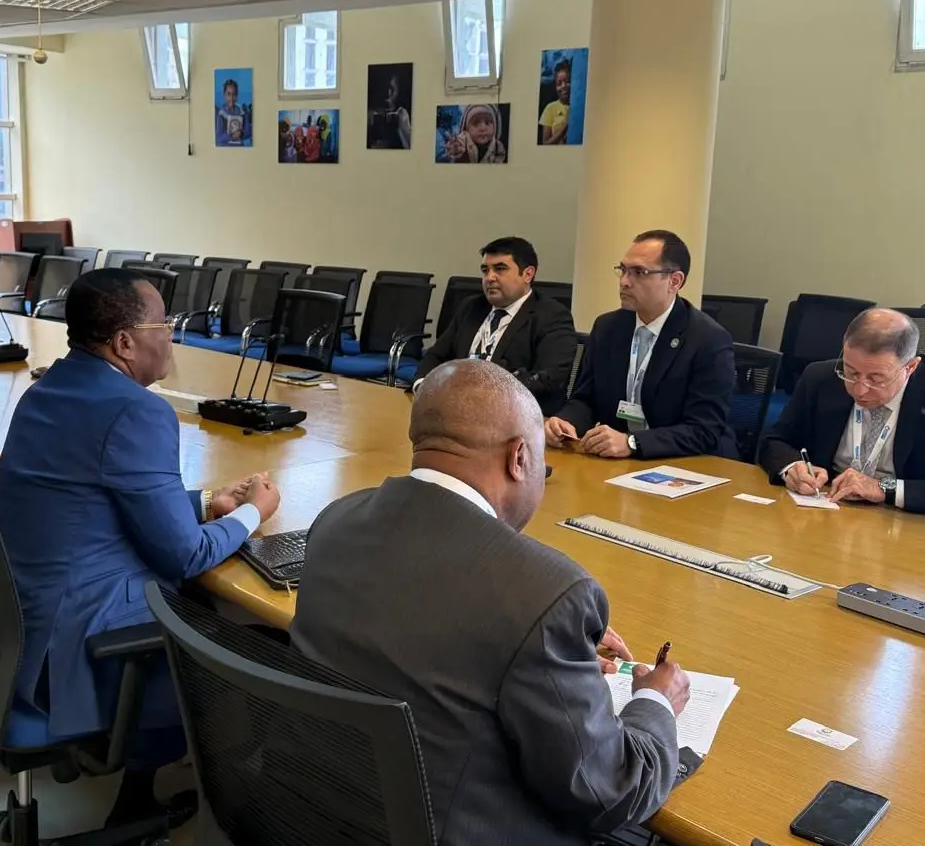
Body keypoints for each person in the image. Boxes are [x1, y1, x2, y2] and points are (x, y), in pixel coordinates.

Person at [292, 360, 689, 845]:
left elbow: (422, 616)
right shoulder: (546, 593)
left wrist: (552, 651)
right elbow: (611, 792)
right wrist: (655, 701)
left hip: (306, 816)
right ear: (519, 457)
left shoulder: (335, 520)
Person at [0, 267, 281, 828]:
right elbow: (185, 556)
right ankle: (231, 812)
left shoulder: (46, 390)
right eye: (163, 324)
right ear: (124, 342)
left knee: (201, 603)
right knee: (262, 644)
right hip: (85, 646)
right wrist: (253, 513)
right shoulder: (137, 411)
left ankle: (141, 791)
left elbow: (91, 502)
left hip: (28, 631)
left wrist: (206, 503)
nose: (171, 335)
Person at [759, 308, 925, 523]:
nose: (859, 389)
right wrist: (792, 468)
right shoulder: (820, 378)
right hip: (824, 518)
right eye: (851, 372)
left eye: (876, 378)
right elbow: (775, 441)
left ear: (910, 367)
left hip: (908, 529)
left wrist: (884, 489)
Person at [546, 230, 737, 460]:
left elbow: (704, 429)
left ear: (674, 281)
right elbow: (586, 399)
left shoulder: (708, 340)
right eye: (623, 270)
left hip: (688, 463)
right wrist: (565, 421)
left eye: (639, 272)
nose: (624, 282)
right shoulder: (608, 327)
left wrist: (632, 443)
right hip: (621, 463)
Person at [413, 237, 577, 415]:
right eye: (485, 270)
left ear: (528, 274)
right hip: (458, 410)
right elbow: (436, 355)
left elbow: (550, 377)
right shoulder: (471, 307)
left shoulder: (552, 316)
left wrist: (484, 396)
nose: (490, 278)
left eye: (500, 269)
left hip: (515, 416)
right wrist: (422, 386)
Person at [367, 70, 411, 150]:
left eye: (392, 88)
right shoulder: (370, 113)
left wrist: (400, 127)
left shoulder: (402, 114)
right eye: (385, 87)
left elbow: (409, 147)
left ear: (398, 89)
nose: (388, 92)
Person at [539, 59, 572, 145]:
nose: (563, 86)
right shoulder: (550, 108)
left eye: (567, 81)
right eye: (559, 83)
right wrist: (566, 125)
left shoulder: (578, 107)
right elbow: (545, 143)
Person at [215, 77, 250, 146]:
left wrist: (241, 134)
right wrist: (230, 136)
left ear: (237, 95)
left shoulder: (242, 112)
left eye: (234, 94)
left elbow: (249, 132)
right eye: (228, 94)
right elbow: (219, 138)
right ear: (224, 95)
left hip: (240, 148)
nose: (231, 98)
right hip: (225, 149)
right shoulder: (221, 114)